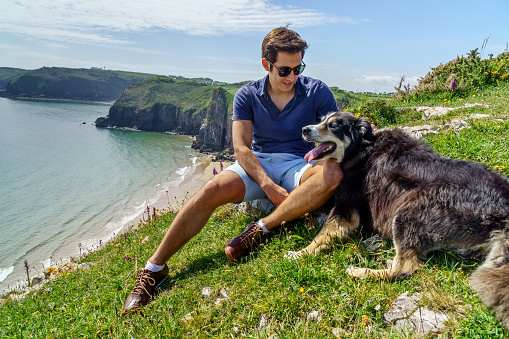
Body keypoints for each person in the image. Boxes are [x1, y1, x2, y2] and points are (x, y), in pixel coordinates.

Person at [122, 26, 343, 313]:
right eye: (284, 70)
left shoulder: (317, 91)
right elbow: (241, 148)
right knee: (211, 188)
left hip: (299, 163)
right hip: (257, 161)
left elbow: (333, 134)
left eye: (298, 68)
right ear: (266, 64)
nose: (292, 77)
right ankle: (153, 270)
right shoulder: (247, 95)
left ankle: (260, 229)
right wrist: (267, 186)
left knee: (333, 174)